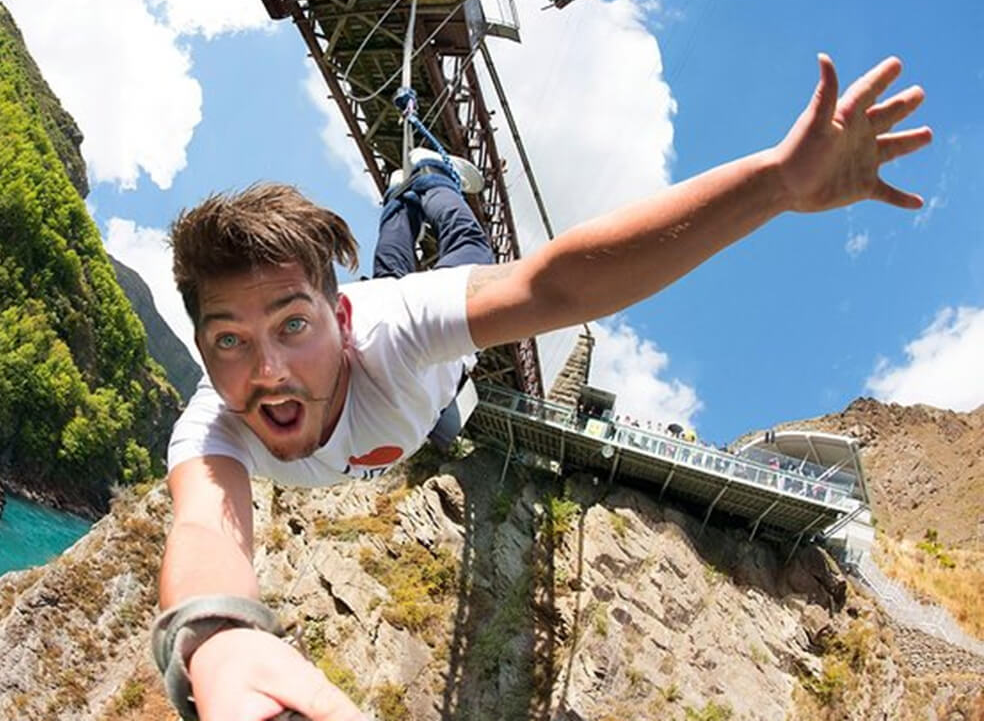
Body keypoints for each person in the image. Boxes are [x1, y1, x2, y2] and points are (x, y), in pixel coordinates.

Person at [153, 55, 930, 721]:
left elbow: (554, 287)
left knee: (464, 247)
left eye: (291, 326)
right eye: (230, 341)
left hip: (413, 349)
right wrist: (220, 640)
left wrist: (774, 184)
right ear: (202, 346)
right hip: (399, 375)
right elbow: (206, 531)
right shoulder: (211, 426)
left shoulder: (397, 328)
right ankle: (401, 195)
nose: (268, 373)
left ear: (338, 317)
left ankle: (428, 181)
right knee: (391, 258)